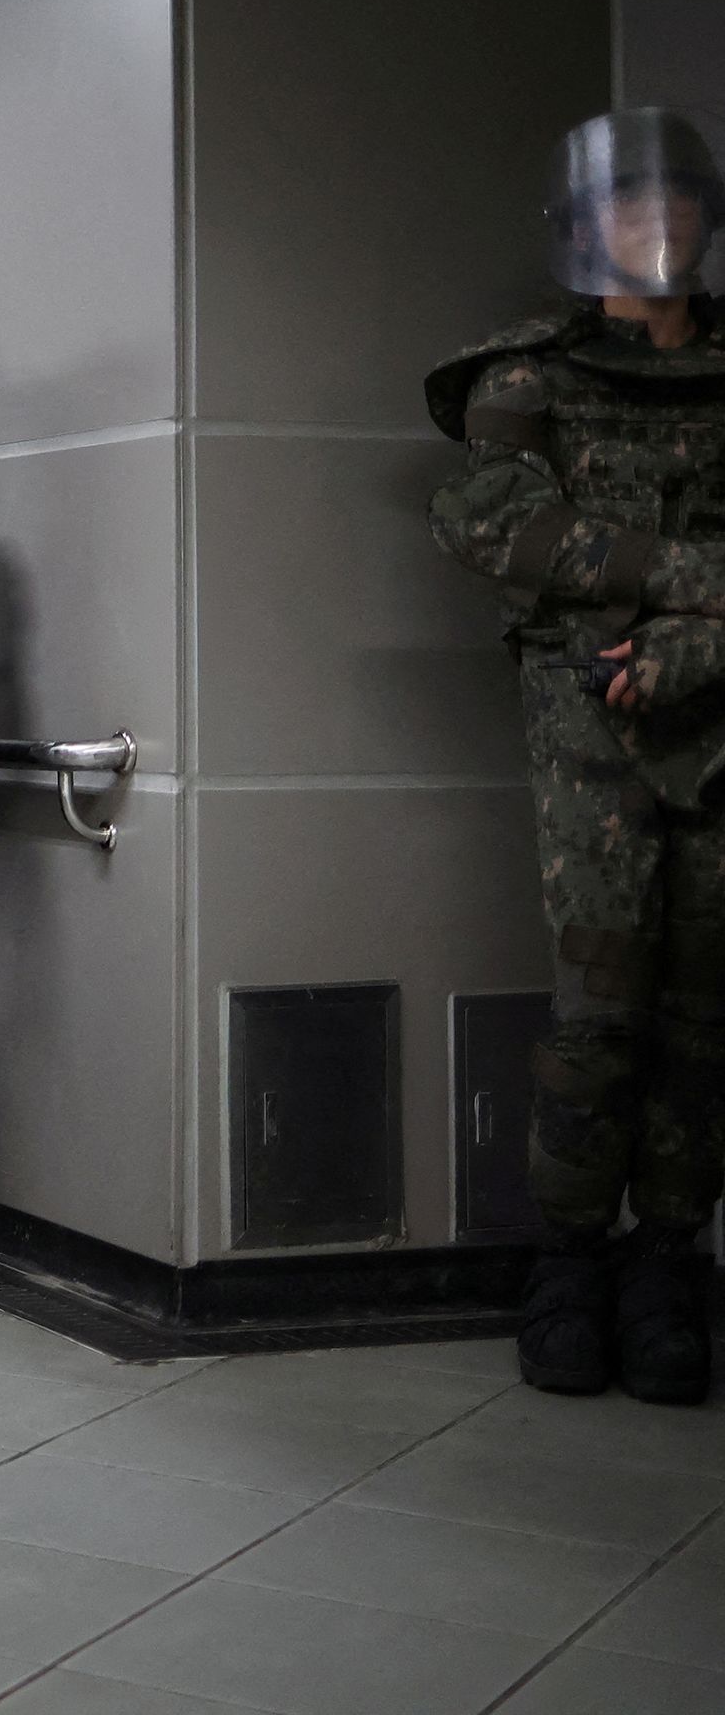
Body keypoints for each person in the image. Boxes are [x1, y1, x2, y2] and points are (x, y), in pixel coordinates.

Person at [426, 105, 725, 1406]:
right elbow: (502, 531)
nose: (656, 226)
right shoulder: (526, 377)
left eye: (676, 203)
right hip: (587, 713)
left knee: (704, 1012)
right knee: (601, 1007)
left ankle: (668, 1266)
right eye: (629, 206)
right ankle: (568, 1263)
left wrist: (694, 640)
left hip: (716, 714)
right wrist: (698, 583)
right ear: (583, 228)